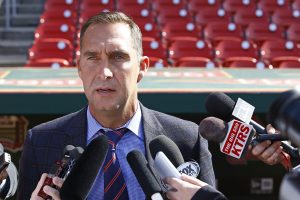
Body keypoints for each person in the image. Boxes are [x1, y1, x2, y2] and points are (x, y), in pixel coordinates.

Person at [18, 11, 215, 200]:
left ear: (142, 67)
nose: (104, 72)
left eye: (118, 57)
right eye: (92, 58)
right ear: (79, 67)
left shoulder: (188, 139)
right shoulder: (41, 141)